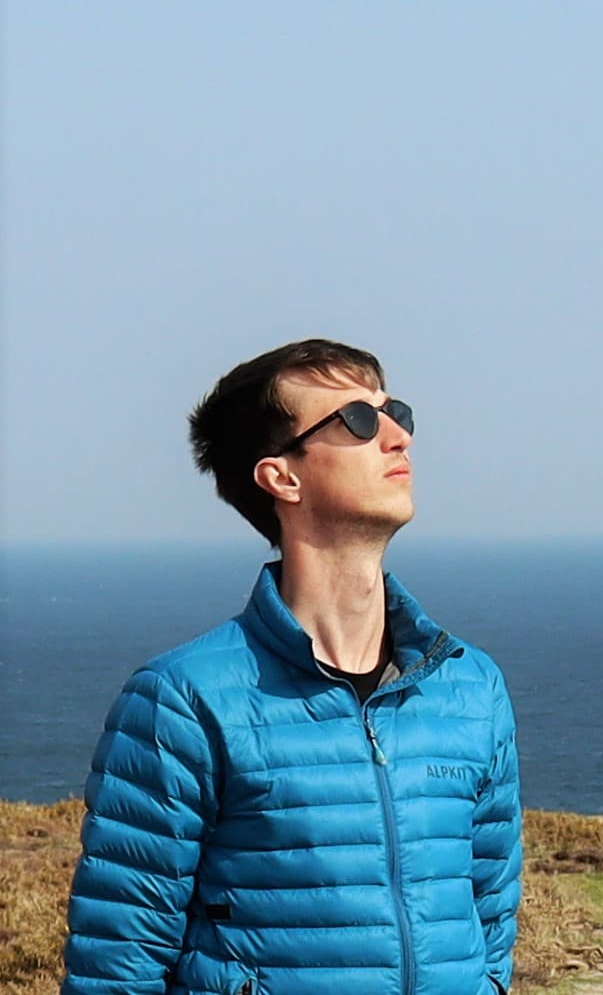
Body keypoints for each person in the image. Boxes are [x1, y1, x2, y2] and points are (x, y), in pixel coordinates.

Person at [60, 338, 523, 995]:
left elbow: (490, 922)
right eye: (357, 421)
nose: (396, 437)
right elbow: (116, 966)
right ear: (282, 476)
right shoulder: (183, 700)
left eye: (397, 412)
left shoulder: (470, 687)